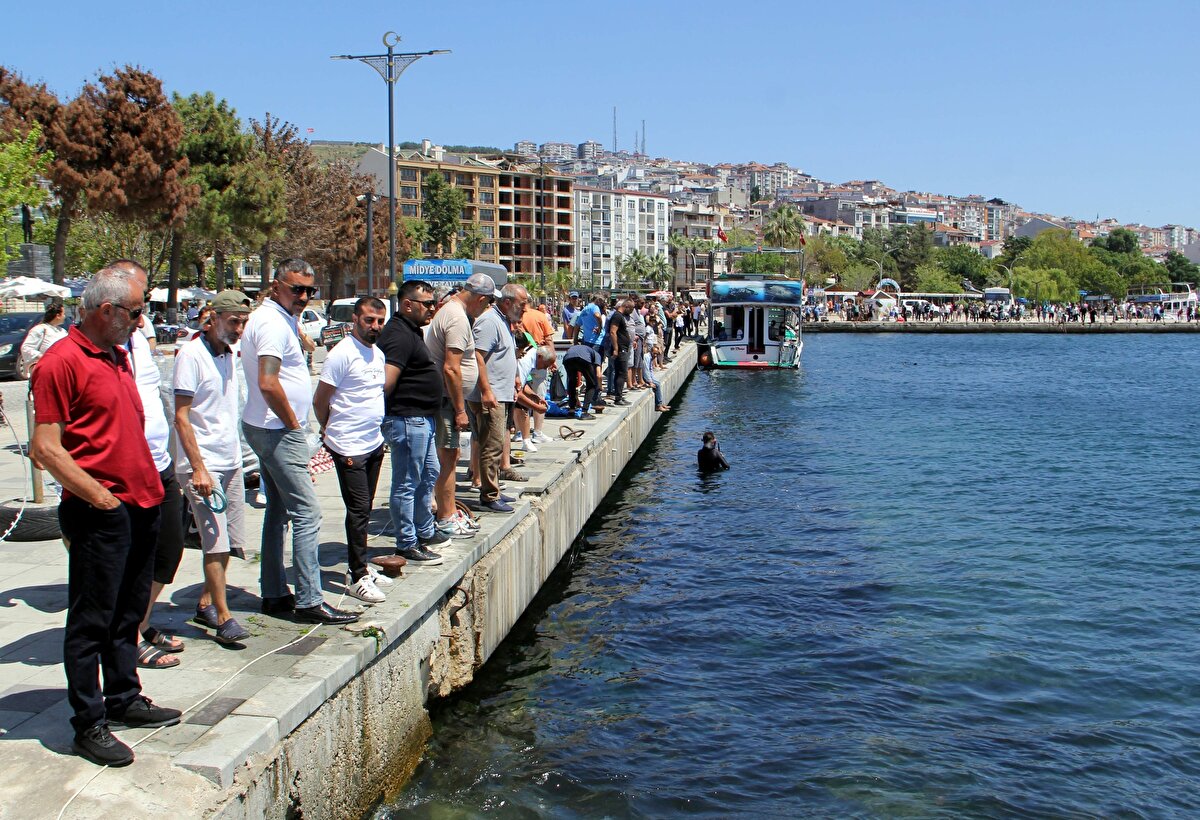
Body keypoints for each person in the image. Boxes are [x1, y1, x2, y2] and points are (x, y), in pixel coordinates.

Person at [31, 267, 181, 767]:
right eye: (137, 312)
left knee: (126, 616)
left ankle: (123, 698)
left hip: (141, 501)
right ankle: (88, 722)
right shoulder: (60, 363)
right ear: (106, 311)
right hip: (103, 512)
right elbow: (45, 449)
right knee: (91, 621)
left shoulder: (118, 356)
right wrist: (100, 498)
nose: (143, 322)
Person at [241, 259, 358, 625]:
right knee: (307, 512)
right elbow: (268, 381)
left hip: (264, 426)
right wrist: (294, 424)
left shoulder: (276, 318)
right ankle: (309, 599)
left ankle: (274, 592)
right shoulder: (272, 323)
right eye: (296, 289)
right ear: (276, 287)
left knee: (277, 511)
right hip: (277, 430)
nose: (304, 297)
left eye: (310, 290)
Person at [110, 261, 187, 671]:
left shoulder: (138, 339)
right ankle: (129, 636)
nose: (142, 315)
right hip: (126, 473)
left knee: (168, 549)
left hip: (160, 463)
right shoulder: (102, 345)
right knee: (134, 559)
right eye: (135, 306)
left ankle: (140, 620)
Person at [173, 290, 253, 644]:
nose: (239, 329)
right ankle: (223, 617)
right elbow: (181, 416)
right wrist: (198, 468)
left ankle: (205, 602)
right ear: (213, 318)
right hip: (202, 464)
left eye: (243, 322)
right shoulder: (191, 355)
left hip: (230, 460)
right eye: (233, 321)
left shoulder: (228, 354)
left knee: (232, 541)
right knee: (215, 542)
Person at [313, 297, 394, 603]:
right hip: (348, 445)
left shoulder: (376, 353)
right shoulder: (341, 354)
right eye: (369, 320)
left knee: (366, 507)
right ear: (355, 320)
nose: (375, 327)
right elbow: (321, 400)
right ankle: (357, 576)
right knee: (358, 510)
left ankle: (360, 565)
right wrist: (330, 430)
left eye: (379, 321)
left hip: (373, 442)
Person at [377, 279, 446, 566]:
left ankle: (424, 530)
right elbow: (386, 382)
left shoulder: (411, 332)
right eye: (427, 304)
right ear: (408, 304)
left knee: (430, 472)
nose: (433, 308)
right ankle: (406, 542)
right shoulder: (398, 335)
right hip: (407, 419)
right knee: (407, 482)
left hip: (423, 419)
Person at [425, 275, 492, 540]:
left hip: (446, 400)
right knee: (449, 459)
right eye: (487, 305)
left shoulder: (451, 311)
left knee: (447, 458)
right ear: (481, 299)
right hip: (446, 401)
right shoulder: (457, 318)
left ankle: (445, 509)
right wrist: (460, 408)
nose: (485, 310)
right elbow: (451, 367)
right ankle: (446, 516)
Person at [469, 283, 529, 513]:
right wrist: (486, 391)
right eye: (521, 305)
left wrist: (514, 376)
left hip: (501, 393)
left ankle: (492, 487)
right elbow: (478, 356)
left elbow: (506, 354)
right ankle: (489, 495)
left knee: (495, 443)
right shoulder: (489, 322)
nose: (524, 310)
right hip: (491, 395)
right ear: (507, 302)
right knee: (491, 445)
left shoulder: (504, 321)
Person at [18, 302, 67, 376]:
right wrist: (43, 357)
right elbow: (26, 348)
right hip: (46, 372)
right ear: (58, 316)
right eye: (63, 314)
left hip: (61, 370)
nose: (64, 316)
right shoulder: (40, 329)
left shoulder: (62, 331)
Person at [562, 342, 601, 419]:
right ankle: (584, 412)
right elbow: (598, 375)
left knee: (571, 383)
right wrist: (599, 386)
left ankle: (571, 410)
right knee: (591, 384)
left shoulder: (582, 349)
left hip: (567, 359)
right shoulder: (597, 355)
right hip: (583, 359)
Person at [607, 299, 634, 406]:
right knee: (621, 373)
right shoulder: (617, 316)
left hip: (623, 347)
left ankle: (620, 395)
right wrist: (616, 348)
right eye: (631, 309)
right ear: (626, 306)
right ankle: (618, 398)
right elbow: (613, 332)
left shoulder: (619, 316)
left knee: (621, 373)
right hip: (620, 348)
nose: (631, 312)